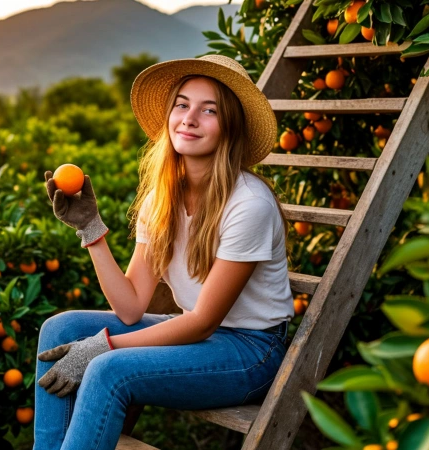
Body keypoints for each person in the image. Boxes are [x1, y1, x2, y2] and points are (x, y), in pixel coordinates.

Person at [34, 54, 295, 450]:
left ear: (230, 128)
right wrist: (91, 229)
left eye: (209, 111)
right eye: (182, 104)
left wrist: (103, 345)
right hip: (199, 335)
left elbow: (204, 322)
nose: (189, 118)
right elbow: (130, 307)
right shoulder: (162, 198)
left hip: (251, 350)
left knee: (107, 369)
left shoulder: (249, 204)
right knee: (61, 329)